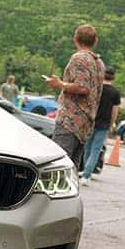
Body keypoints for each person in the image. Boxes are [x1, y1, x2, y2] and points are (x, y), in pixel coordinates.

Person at [45, 25, 104, 171]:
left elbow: (83, 87)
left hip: (70, 120)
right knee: (72, 168)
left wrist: (59, 84)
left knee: (58, 164)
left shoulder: (79, 58)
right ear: (95, 41)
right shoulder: (99, 63)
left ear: (75, 39)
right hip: (85, 122)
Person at [81, 66, 122, 183]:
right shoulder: (115, 93)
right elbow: (114, 111)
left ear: (103, 75)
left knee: (87, 147)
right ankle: (86, 175)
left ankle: (84, 171)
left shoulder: (97, 89)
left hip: (91, 122)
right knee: (96, 149)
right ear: (113, 77)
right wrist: (112, 123)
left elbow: (88, 104)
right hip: (104, 124)